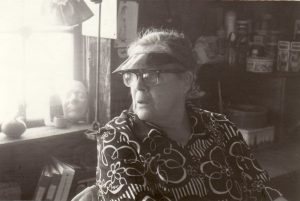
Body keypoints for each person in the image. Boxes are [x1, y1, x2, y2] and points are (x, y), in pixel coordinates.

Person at [72, 29, 287, 201]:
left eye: (150, 74)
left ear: (186, 81)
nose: (139, 86)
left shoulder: (220, 127)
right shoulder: (118, 137)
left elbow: (260, 187)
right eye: (132, 75)